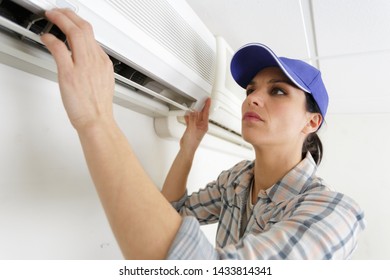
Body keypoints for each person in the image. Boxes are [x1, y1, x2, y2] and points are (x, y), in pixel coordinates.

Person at [41, 9, 365, 259]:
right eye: (251, 89)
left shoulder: (335, 213)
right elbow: (171, 213)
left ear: (311, 122)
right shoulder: (237, 180)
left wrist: (97, 119)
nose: (252, 97)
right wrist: (188, 149)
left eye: (278, 91)